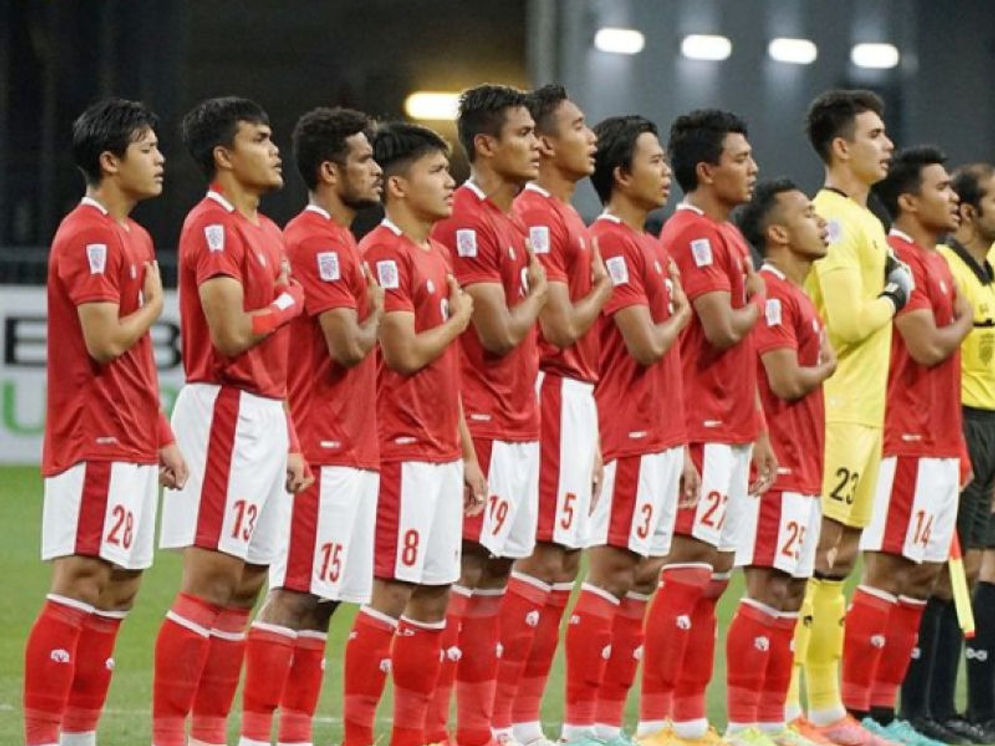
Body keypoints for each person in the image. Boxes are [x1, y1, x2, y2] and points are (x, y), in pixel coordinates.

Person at [24, 97, 186, 746]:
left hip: (130, 436)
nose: (160, 159)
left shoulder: (134, 235)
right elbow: (105, 341)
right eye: (147, 148)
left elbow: (137, 361)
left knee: (119, 587)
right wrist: (154, 302)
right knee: (81, 580)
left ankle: (79, 738)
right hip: (92, 435)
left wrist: (163, 436)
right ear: (109, 160)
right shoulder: (87, 232)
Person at [152, 96, 312, 746]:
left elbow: (270, 348)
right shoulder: (211, 226)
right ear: (224, 155)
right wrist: (284, 304)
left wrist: (292, 438)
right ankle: (169, 736)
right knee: (212, 578)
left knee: (246, 585)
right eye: (261, 138)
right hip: (223, 409)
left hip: (266, 416)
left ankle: (211, 736)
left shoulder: (268, 231)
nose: (275, 150)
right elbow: (229, 333)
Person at [236, 107, 384, 746]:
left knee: (323, 601)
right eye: (363, 159)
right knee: (295, 592)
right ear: (329, 170)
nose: (375, 169)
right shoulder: (316, 240)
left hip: (352, 443)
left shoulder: (342, 241)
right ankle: (253, 735)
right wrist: (378, 311)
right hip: (317, 445)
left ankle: (293, 735)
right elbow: (349, 346)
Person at [342, 120, 485, 746]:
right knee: (391, 594)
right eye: (435, 172)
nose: (449, 181)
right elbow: (402, 353)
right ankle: (356, 736)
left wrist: (468, 455)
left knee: (433, 599)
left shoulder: (436, 253)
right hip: (398, 448)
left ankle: (415, 736)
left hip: (440, 450)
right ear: (397, 186)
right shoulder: (383, 252)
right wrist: (458, 322)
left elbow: (446, 372)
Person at [638, 109, 777, 746]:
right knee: (686, 569)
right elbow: (722, 327)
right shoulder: (691, 235)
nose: (752, 169)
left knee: (714, 576)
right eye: (740, 158)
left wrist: (760, 435)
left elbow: (739, 349)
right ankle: (655, 720)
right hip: (698, 422)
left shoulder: (726, 238)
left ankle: (691, 720)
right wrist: (757, 297)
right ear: (707, 169)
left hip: (733, 426)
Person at [559, 113, 698, 746]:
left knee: (643, 577)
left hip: (662, 436)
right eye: (654, 161)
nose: (665, 172)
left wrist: (684, 446)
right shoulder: (612, 241)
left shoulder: (650, 245)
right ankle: (584, 725)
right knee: (614, 572)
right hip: (628, 432)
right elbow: (643, 345)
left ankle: (612, 723)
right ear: (621, 174)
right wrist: (685, 315)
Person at [788, 90, 910, 746]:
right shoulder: (830, 218)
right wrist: (894, 294)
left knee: (839, 559)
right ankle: (782, 711)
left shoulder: (869, 221)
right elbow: (846, 321)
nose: (886, 144)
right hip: (832, 412)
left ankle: (827, 709)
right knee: (810, 557)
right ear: (841, 148)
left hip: (865, 414)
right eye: (874, 134)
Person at [430, 84, 548, 746]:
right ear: (484, 144)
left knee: (495, 574)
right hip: (480, 420)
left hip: (518, 421)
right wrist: (539, 292)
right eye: (523, 132)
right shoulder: (466, 221)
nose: (536, 144)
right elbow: (497, 332)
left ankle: (480, 729)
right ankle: (442, 727)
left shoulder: (512, 222)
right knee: (462, 574)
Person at [493, 83, 611, 746]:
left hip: (576, 400)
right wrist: (603, 287)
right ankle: (504, 718)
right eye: (575, 124)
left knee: (562, 562)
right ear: (542, 143)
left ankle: (521, 717)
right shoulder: (538, 214)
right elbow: (561, 326)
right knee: (538, 559)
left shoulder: (566, 216)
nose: (587, 135)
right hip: (545, 392)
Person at [845, 147, 969, 746]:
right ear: (908, 200)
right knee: (886, 570)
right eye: (942, 187)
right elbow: (924, 347)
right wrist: (965, 322)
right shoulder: (898, 259)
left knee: (919, 578)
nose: (954, 197)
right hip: (904, 438)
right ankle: (851, 708)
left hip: (940, 443)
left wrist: (958, 451)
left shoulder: (939, 262)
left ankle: (886, 714)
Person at [728, 179, 836, 746]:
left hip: (805, 464)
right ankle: (747, 723)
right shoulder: (771, 292)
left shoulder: (796, 295)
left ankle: (774, 722)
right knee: (767, 588)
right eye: (809, 214)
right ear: (777, 233)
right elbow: (785, 379)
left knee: (791, 593)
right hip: (778, 466)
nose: (822, 223)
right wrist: (827, 367)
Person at [902, 163, 995, 744]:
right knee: (937, 572)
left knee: (975, 571)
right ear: (966, 208)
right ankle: (922, 706)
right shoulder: (949, 270)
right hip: (956, 424)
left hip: (992, 424)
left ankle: (961, 707)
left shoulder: (989, 269)